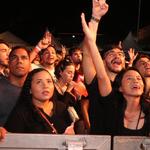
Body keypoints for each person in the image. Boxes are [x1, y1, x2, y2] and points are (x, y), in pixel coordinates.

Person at [81, 2, 150, 136]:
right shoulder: (95, 81)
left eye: (120, 54)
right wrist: (95, 18)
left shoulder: (135, 93)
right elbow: (88, 53)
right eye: (111, 54)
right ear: (101, 61)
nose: (117, 56)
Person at [4, 68, 75, 135]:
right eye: (39, 82)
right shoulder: (21, 113)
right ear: (30, 89)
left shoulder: (62, 108)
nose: (45, 86)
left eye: (49, 81)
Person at [0, 46, 31, 126]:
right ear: (8, 62)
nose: (19, 61)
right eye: (14, 58)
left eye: (24, 58)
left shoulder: (36, 89)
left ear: (30, 63)